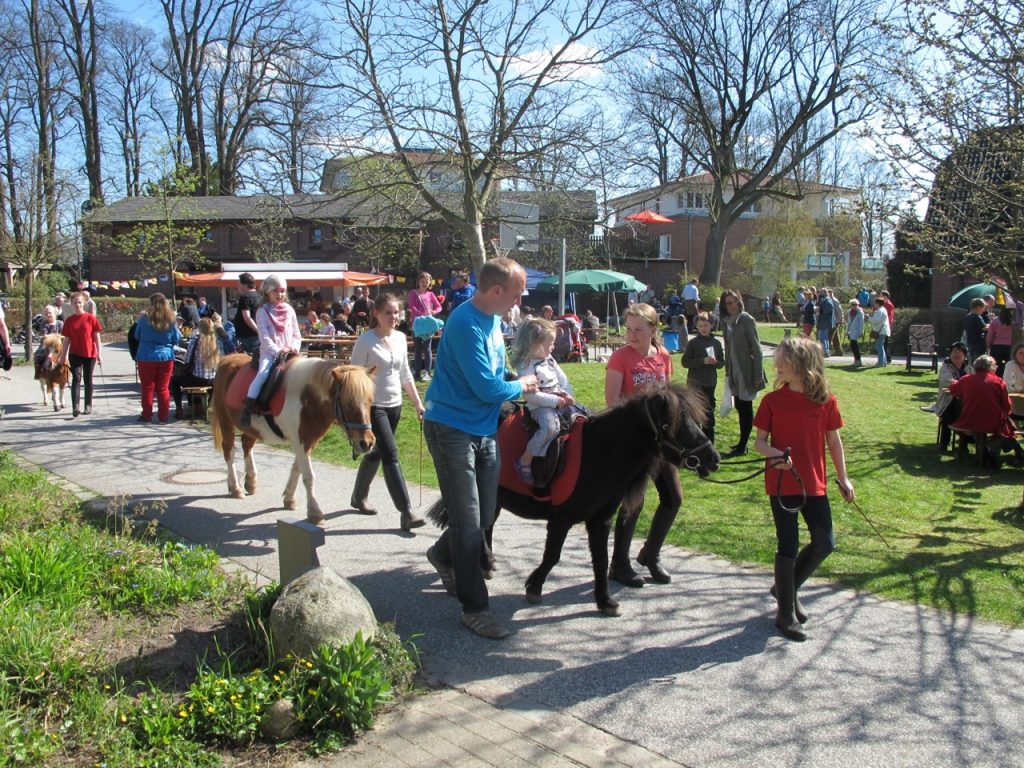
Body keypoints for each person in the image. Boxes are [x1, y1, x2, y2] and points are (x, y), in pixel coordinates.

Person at [422, 257, 539, 640]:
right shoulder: (465, 323)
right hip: (451, 428)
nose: (520, 301)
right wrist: (522, 386)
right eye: (517, 294)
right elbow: (488, 389)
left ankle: (442, 555)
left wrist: (529, 381)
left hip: (482, 428)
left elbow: (497, 373)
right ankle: (475, 609)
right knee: (469, 522)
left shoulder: (493, 320)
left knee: (486, 511)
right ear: (496, 291)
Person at [753, 336, 853, 642]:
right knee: (788, 544)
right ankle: (785, 615)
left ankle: (786, 588)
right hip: (782, 483)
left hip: (814, 483)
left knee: (825, 542)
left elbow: (833, 441)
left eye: (781, 360)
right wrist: (776, 455)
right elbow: (759, 443)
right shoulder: (772, 401)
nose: (776, 365)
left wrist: (844, 478)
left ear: (799, 364)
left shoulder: (825, 401)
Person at [605, 303, 681, 587]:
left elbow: (669, 396)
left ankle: (650, 553)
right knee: (632, 503)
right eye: (629, 329)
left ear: (653, 329)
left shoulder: (663, 356)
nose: (632, 335)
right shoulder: (620, 358)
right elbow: (613, 401)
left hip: (660, 440)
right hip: (631, 441)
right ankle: (619, 564)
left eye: (638, 329)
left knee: (673, 497)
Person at [349, 293, 427, 532]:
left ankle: (358, 497)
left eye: (396, 313)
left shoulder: (402, 338)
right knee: (391, 453)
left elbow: (404, 373)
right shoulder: (366, 341)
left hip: (395, 404)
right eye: (388, 313)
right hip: (374, 407)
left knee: (376, 453)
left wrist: (417, 403)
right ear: (376, 314)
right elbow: (355, 376)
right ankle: (407, 512)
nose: (394, 317)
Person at [510, 318, 575, 486]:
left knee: (580, 415)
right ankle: (525, 459)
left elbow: (563, 378)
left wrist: (566, 393)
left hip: (558, 398)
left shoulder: (549, 359)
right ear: (534, 344)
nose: (552, 347)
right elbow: (532, 396)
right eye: (549, 344)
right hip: (540, 406)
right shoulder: (526, 366)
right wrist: (556, 401)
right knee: (551, 427)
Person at [240, 274, 302, 428]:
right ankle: (248, 408)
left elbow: (296, 333)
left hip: (291, 351)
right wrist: (278, 351)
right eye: (276, 291)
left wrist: (294, 347)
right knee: (263, 374)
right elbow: (264, 338)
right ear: (268, 292)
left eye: (283, 291)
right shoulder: (262, 312)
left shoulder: (290, 310)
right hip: (270, 352)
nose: (280, 295)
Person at [949, 355, 1024, 467]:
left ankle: (989, 449)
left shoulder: (966, 379)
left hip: (970, 419)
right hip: (993, 421)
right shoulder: (998, 381)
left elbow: (954, 390)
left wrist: (955, 383)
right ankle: (994, 449)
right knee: (1007, 429)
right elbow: (1007, 405)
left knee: (1004, 427)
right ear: (991, 367)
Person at [720, 289, 765, 457]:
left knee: (745, 407)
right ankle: (741, 443)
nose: (732, 305)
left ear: (739, 301)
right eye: (728, 303)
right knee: (739, 405)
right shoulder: (726, 322)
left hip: (746, 370)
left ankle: (743, 445)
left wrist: (757, 374)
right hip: (733, 370)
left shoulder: (746, 320)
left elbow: (757, 349)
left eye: (734, 301)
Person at [134, 293, 182, 424]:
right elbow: (176, 339)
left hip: (146, 356)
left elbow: (137, 335)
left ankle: (147, 415)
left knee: (147, 387)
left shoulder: (144, 319)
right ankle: (163, 417)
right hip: (165, 356)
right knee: (163, 388)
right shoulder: (171, 320)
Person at [681, 311, 725, 443]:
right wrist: (702, 361)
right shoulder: (693, 343)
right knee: (694, 414)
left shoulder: (716, 343)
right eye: (700, 326)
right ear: (696, 326)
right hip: (695, 385)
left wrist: (715, 362)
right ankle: (695, 443)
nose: (703, 328)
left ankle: (709, 443)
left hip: (710, 384)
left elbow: (721, 363)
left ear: (711, 325)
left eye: (706, 325)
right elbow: (685, 362)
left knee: (708, 414)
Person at [59, 291, 103, 418]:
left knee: (88, 379)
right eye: (75, 303)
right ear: (71, 305)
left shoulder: (91, 318)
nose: (77, 305)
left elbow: (96, 337)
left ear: (83, 303)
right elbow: (66, 340)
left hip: (89, 353)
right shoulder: (69, 320)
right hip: (75, 353)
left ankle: (88, 405)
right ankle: (75, 407)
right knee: (76, 379)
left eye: (79, 302)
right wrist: (63, 356)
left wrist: (99, 353)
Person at [170, 316, 219, 419]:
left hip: (198, 379)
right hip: (213, 379)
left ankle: (180, 409)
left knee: (175, 380)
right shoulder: (217, 342)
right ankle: (208, 407)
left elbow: (187, 360)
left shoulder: (195, 341)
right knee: (197, 379)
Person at [927, 342, 972, 450]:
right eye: (954, 352)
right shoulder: (945, 368)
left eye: (959, 353)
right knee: (948, 414)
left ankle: (963, 444)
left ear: (964, 356)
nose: (956, 355)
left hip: (965, 401)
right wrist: (964, 384)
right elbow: (947, 381)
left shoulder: (969, 369)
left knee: (967, 415)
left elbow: (973, 382)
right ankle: (944, 442)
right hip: (948, 400)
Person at [407, 271, 443, 381]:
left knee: (427, 349)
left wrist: (432, 312)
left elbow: (439, 307)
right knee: (417, 349)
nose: (425, 284)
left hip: (428, 324)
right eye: (423, 281)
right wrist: (420, 314)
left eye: (427, 282)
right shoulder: (413, 293)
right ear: (418, 282)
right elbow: (412, 306)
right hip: (417, 323)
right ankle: (417, 372)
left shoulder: (431, 294)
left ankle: (427, 372)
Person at [233, 272, 262, 355]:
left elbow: (247, 318)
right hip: (255, 336)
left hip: (247, 336)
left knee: (247, 360)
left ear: (244, 284)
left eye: (239, 284)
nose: (238, 286)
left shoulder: (245, 297)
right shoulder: (260, 296)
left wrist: (258, 330)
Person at [33, 305, 63, 369]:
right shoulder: (44, 324)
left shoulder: (60, 323)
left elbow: (63, 334)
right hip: (47, 344)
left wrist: (57, 337)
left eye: (50, 313)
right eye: (46, 313)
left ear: (54, 313)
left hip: (58, 343)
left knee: (67, 355)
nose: (48, 315)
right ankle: (38, 371)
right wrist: (56, 336)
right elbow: (45, 335)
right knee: (38, 355)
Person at [986, 306, 1013, 376]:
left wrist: (989, 346)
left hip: (996, 346)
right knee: (1009, 366)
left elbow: (990, 336)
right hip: (1009, 346)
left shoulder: (995, 321)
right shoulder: (1014, 322)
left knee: (995, 366)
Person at [1002, 341, 1024, 423]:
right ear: (1015, 354)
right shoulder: (1010, 365)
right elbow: (1010, 386)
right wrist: (1021, 389)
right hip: (1014, 404)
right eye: (1020, 353)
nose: (1023, 356)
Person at [962, 297, 988, 363]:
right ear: (978, 307)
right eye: (983, 307)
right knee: (978, 362)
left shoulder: (967, 317)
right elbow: (984, 327)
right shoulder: (977, 316)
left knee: (971, 361)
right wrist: (992, 324)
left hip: (970, 342)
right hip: (978, 343)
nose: (984, 310)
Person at [869, 297, 891, 367]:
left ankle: (881, 363)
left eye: (875, 303)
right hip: (882, 330)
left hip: (881, 331)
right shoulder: (882, 309)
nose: (874, 304)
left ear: (878, 303)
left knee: (879, 346)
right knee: (880, 346)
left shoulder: (880, 310)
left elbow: (876, 321)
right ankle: (883, 362)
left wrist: (868, 318)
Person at [846, 299, 866, 367]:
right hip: (851, 331)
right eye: (853, 305)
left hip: (857, 330)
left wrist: (861, 332)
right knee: (852, 345)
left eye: (856, 305)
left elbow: (862, 323)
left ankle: (858, 360)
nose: (854, 306)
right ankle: (856, 360)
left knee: (854, 345)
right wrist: (847, 331)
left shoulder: (860, 312)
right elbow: (848, 323)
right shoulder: (849, 312)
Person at [816, 288, 835, 356]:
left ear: (824, 293)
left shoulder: (827, 299)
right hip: (824, 320)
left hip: (825, 321)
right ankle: (826, 351)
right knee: (824, 336)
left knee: (822, 337)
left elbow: (829, 307)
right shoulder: (824, 299)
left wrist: (821, 310)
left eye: (821, 292)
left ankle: (825, 351)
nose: (820, 294)